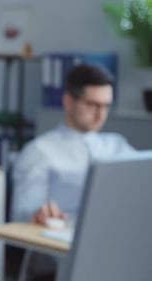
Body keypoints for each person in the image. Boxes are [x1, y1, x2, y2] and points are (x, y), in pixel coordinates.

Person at [11, 63, 135, 225]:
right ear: (68, 101)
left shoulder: (117, 145)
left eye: (106, 106)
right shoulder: (40, 151)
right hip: (63, 238)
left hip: (115, 230)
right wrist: (39, 213)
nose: (101, 115)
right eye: (92, 105)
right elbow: (22, 211)